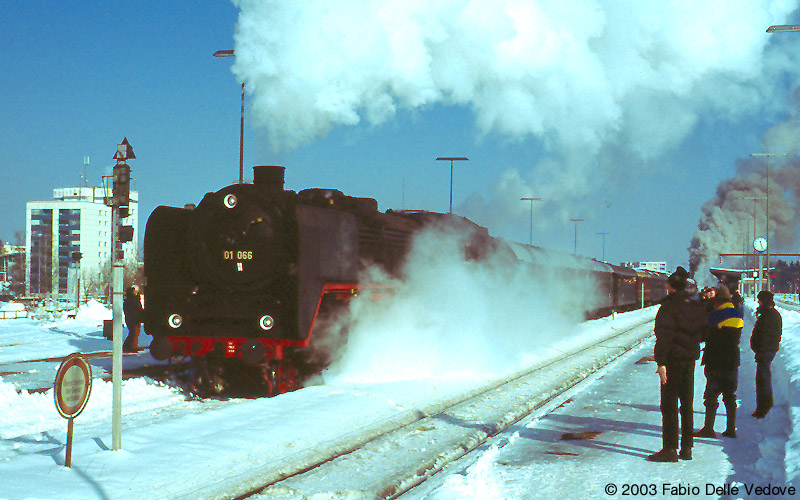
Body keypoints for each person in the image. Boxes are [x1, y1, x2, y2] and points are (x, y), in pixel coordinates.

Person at [648, 266, 707, 462]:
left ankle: (670, 449)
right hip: (688, 360)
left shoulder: (668, 307)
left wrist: (661, 362)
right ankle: (687, 448)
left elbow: (664, 337)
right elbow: (704, 332)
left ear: (671, 287)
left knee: (669, 405)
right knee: (687, 404)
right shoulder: (695, 306)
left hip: (672, 361)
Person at [694, 285, 743, 438]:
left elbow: (702, 335)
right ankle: (731, 429)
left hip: (716, 360)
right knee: (730, 395)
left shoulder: (716, 316)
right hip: (732, 360)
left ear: (718, 301)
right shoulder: (737, 314)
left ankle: (708, 429)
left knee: (711, 395)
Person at [750, 290, 782, 418]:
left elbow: (766, 336)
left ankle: (764, 407)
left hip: (765, 352)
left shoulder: (769, 315)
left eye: (760, 300)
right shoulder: (770, 314)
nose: (758, 302)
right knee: (763, 379)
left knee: (763, 380)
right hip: (766, 351)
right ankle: (764, 405)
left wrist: (761, 351)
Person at [123, 285, 144, 353]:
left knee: (135, 332)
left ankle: (133, 345)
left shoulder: (132, 299)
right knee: (133, 332)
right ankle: (129, 346)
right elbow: (136, 308)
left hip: (133, 318)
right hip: (133, 318)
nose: (136, 292)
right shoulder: (132, 300)